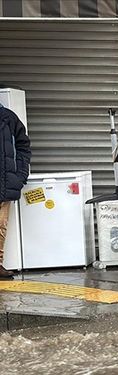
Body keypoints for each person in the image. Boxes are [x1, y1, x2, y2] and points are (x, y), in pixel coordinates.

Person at [0, 105, 30, 279]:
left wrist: (20, 175)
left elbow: (24, 146)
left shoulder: (8, 117)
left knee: (1, 225)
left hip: (5, 181)